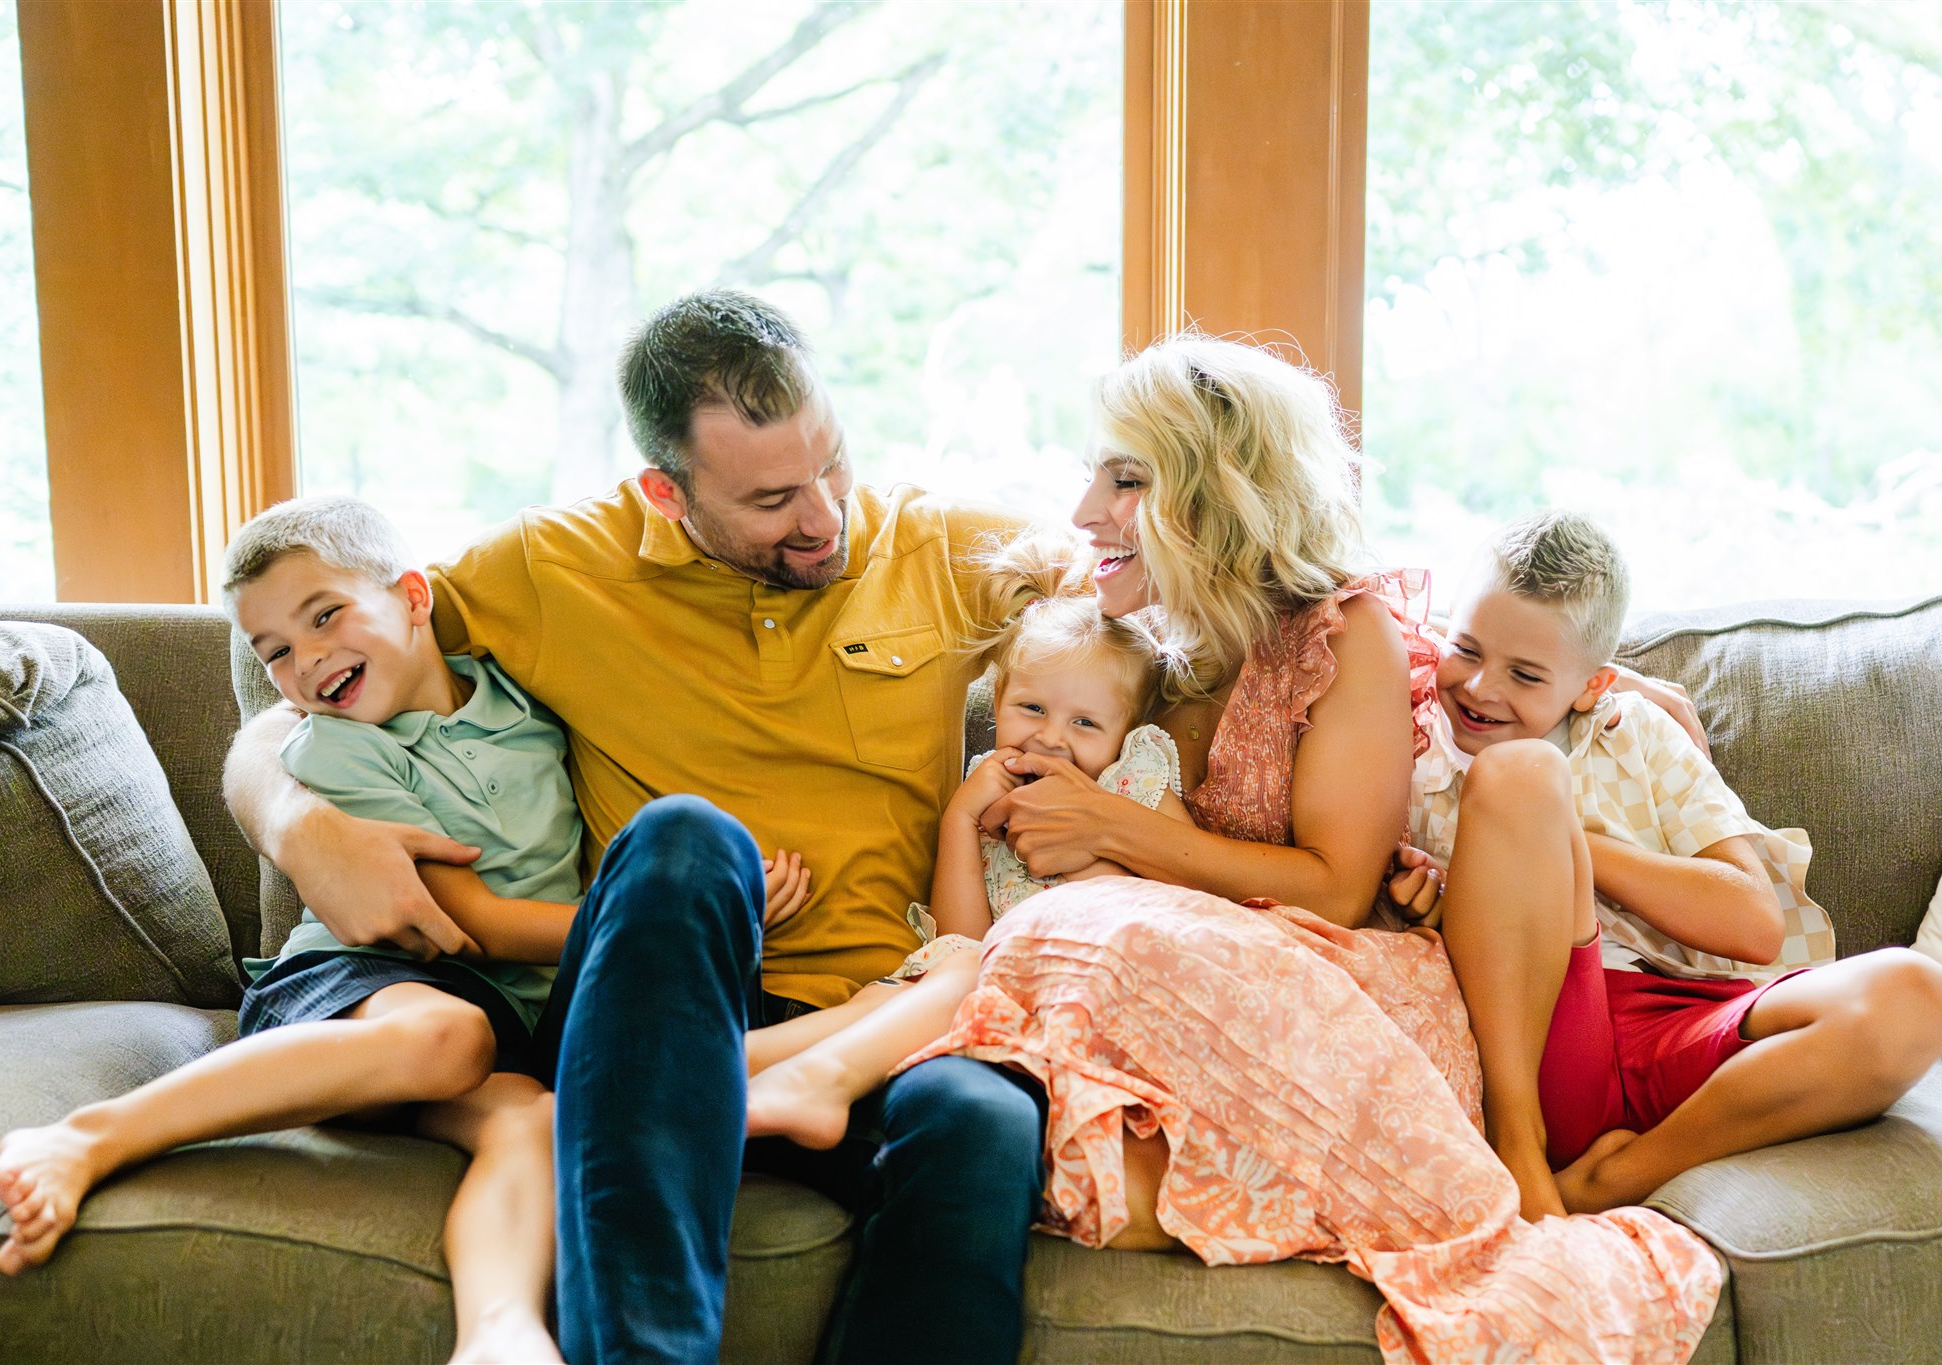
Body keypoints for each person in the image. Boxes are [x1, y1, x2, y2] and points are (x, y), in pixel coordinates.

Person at [219, 291, 1048, 1365]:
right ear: (667, 490)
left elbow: (1170, 602)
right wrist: (290, 818)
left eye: (833, 465)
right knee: (685, 836)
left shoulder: (944, 547)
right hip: (644, 1010)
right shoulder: (549, 569)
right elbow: (291, 674)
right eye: (771, 499)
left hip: (872, 1018)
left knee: (982, 1119)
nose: (825, 518)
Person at [897, 335, 1726, 1363]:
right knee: (1019, 1065)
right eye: (1091, 476)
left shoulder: (1339, 635)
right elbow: (989, 590)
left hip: (1327, 985)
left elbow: (1336, 888)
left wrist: (1116, 829)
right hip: (1187, 991)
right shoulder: (1140, 628)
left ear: (1214, 496)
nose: (1083, 511)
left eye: (1124, 479)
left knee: (1078, 927)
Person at [0, 497, 570, 1363]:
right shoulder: (332, 748)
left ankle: (500, 1333)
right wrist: (666, 924)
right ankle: (87, 1133)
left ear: (415, 597)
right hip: (350, 979)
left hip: (495, 1021)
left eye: (326, 615)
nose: (308, 661)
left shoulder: (527, 712)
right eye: (277, 653)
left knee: (530, 1117)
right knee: (447, 1035)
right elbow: (464, 923)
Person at [1386, 510, 1942, 1219]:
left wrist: (1567, 846)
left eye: (1525, 674)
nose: (1478, 687)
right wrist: (1426, 899)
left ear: (1593, 684)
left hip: (1682, 1022)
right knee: (1520, 776)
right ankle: (1518, 1143)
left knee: (1917, 994)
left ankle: (1617, 1177)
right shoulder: (1408, 735)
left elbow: (1754, 924)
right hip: (1536, 1036)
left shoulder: (1640, 735)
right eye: (1465, 648)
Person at [745, 580, 1191, 1160]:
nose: (1051, 737)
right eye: (1031, 708)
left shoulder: (1133, 781)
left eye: (1085, 724)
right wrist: (962, 815)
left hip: (1084, 988)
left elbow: (1188, 895)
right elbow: (962, 938)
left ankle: (803, 1083)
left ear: (1126, 731)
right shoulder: (987, 786)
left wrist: (1099, 851)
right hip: (985, 977)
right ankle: (729, 1064)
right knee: (889, 997)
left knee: (957, 978)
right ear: (998, 700)